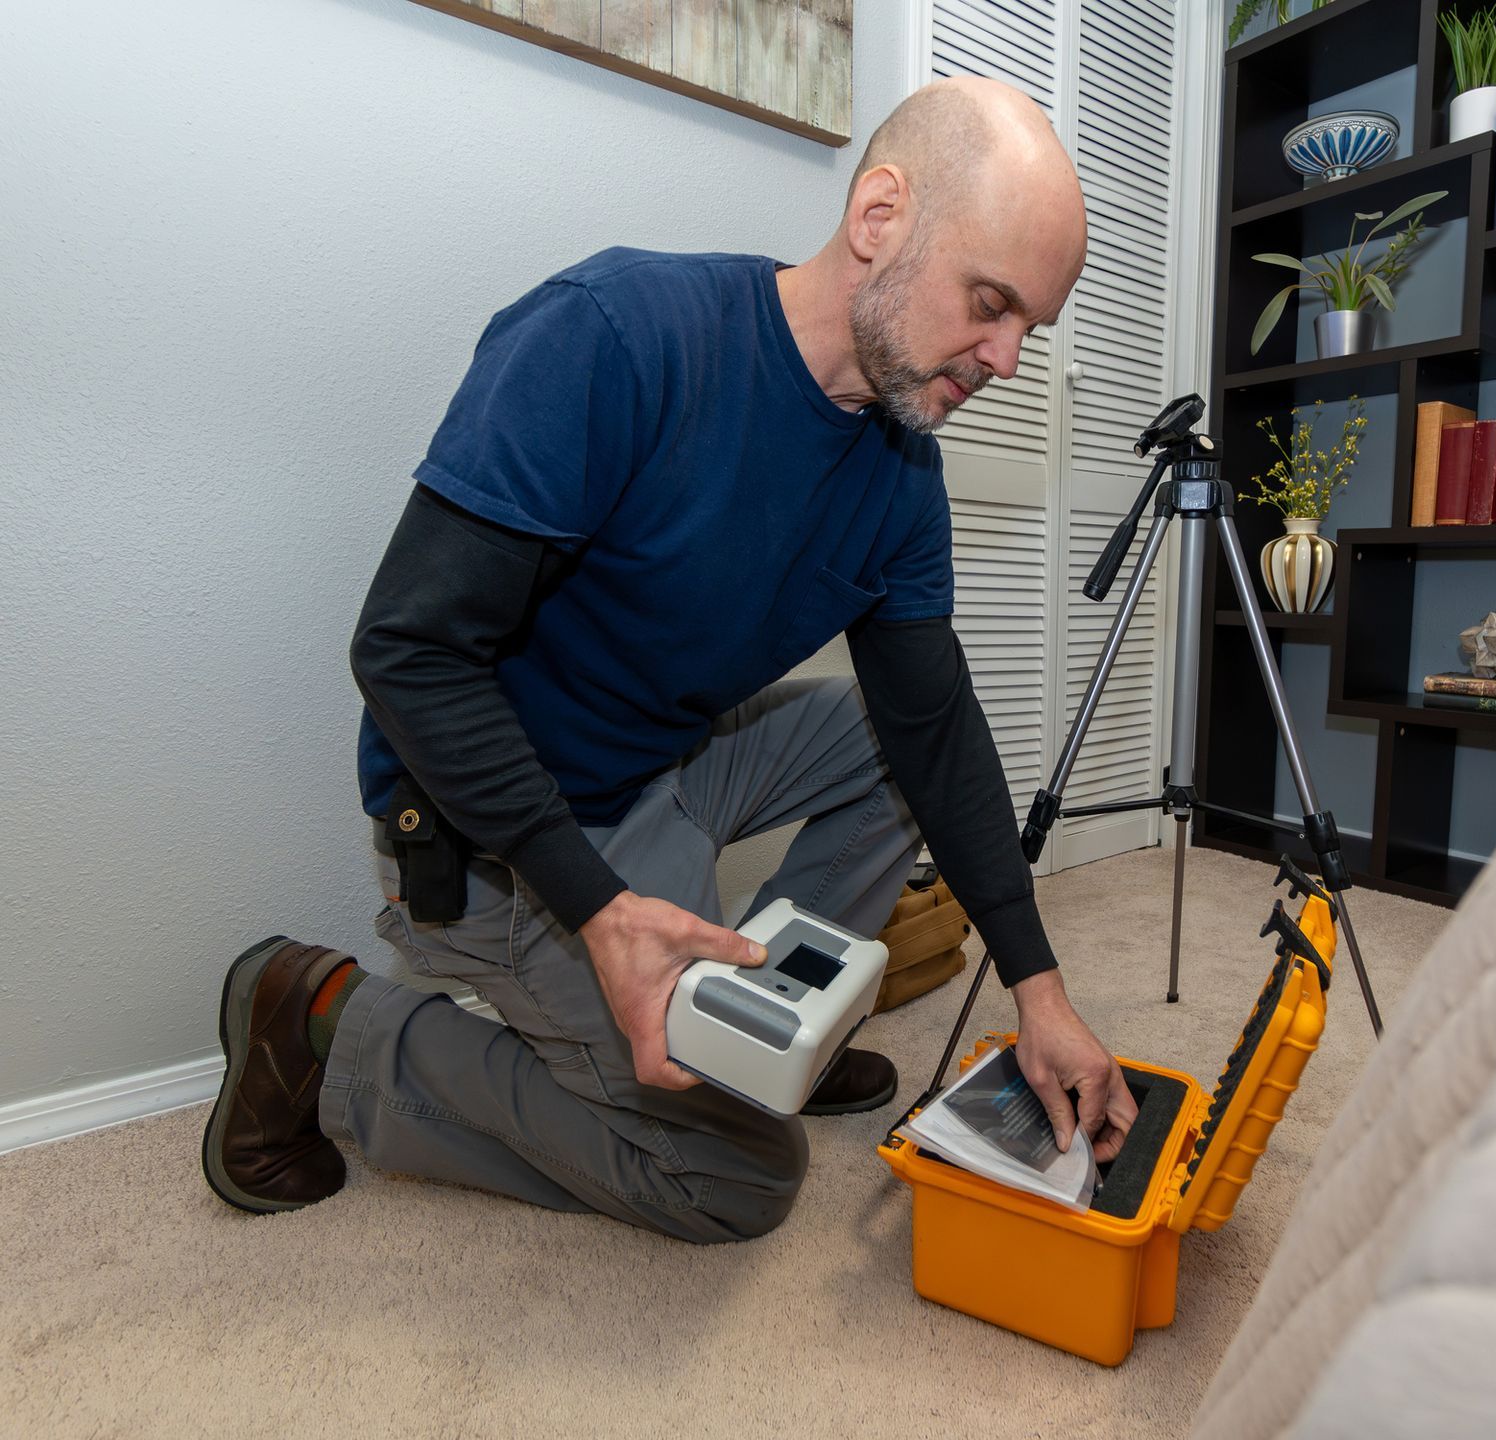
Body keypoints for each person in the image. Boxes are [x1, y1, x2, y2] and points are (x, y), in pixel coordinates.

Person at [200, 76, 1139, 1241]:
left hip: (656, 772)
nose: (1003, 359)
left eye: (1026, 331)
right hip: (493, 834)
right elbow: (408, 654)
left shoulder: (901, 474)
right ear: (881, 217)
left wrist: (1037, 989)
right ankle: (327, 1022)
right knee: (738, 1184)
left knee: (890, 734)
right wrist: (601, 913)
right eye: (990, 303)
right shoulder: (616, 336)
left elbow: (935, 731)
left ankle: (767, 1030)